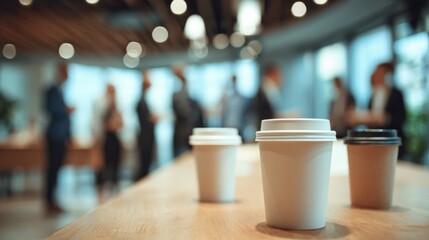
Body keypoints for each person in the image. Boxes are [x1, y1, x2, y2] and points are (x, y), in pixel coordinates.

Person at [349, 62, 407, 158]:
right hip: (375, 142)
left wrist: (386, 119)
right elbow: (369, 118)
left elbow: (401, 118)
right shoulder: (372, 97)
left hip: (392, 141)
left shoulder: (396, 94)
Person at [44, 63, 74, 213]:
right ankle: (49, 200)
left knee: (57, 170)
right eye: (66, 71)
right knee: (52, 169)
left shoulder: (61, 91)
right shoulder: (52, 90)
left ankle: (53, 199)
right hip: (54, 136)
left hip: (61, 137)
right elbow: (51, 110)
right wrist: (66, 110)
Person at [96, 84, 123, 191]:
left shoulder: (117, 108)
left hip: (115, 139)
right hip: (106, 140)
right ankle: (102, 190)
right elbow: (105, 126)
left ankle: (114, 188)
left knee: (115, 166)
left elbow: (120, 125)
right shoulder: (103, 108)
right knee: (104, 167)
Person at [172, 68, 203, 157]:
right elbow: (184, 112)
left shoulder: (189, 96)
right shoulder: (177, 95)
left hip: (189, 132)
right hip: (182, 133)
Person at [135, 71, 158, 180]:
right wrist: (153, 119)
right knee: (144, 163)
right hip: (145, 137)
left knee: (147, 163)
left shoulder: (144, 101)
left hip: (147, 137)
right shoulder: (141, 102)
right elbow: (145, 120)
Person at [220, 75, 252, 141]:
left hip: (238, 127)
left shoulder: (241, 98)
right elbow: (223, 113)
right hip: (227, 126)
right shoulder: (226, 98)